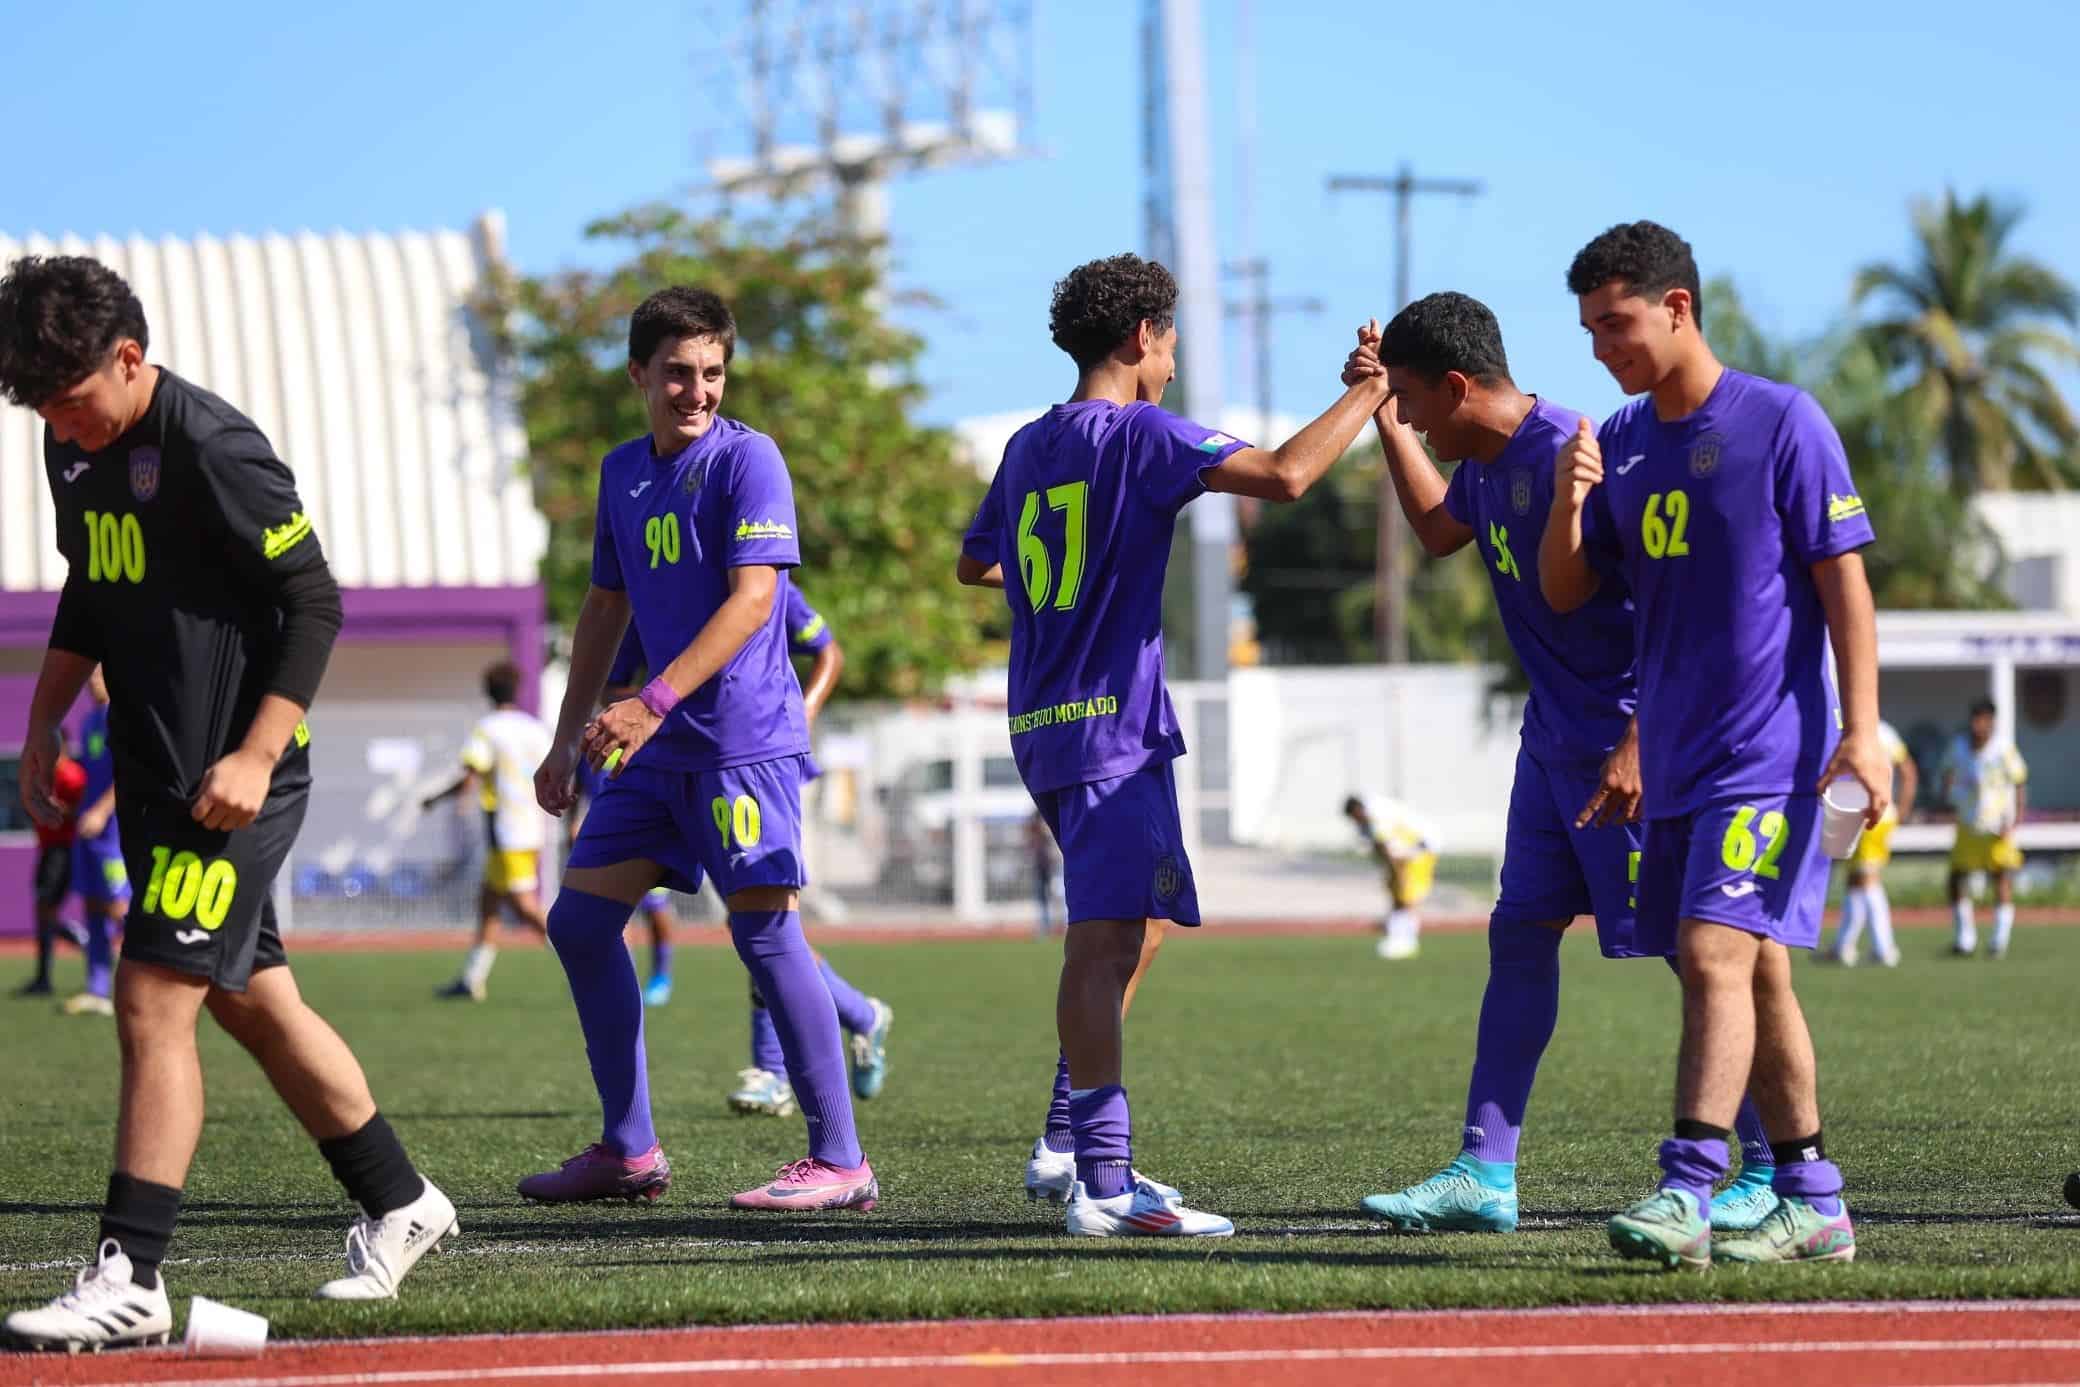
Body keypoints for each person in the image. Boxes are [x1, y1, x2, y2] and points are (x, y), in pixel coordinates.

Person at [0, 255, 453, 1350]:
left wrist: (256, 752)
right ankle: (403, 1202)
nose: (62, 422)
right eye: (41, 405)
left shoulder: (212, 446)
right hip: (156, 771)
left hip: (234, 781)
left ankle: (132, 1274)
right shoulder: (76, 445)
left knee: (153, 998)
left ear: (128, 357)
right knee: (254, 1000)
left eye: (73, 396)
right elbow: (90, 588)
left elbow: (314, 597)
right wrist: (43, 717)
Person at [958, 251, 1391, 1236]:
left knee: (1130, 928)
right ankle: (1097, 1175)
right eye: (1170, 339)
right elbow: (1285, 475)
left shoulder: (1029, 445)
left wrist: (1068, 589)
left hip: (1047, 724)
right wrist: (1367, 395)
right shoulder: (1142, 433)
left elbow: (976, 561)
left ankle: (1072, 1144)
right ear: (1138, 339)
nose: (1173, 358)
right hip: (1111, 726)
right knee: (1106, 940)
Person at [1341, 296, 1781, 1236]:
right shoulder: (1487, 463)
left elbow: (1677, 604)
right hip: (1551, 745)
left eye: (1415, 399)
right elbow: (1434, 527)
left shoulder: (1580, 454)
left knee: (1692, 951)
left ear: (1461, 386)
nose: (1411, 415)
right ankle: (1484, 1169)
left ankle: (1772, 1162)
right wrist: (1378, 410)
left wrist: (1641, 738)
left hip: (1626, 744)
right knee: (1520, 933)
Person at [1540, 222, 1884, 1269]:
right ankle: (1812, 1197)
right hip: (1676, 759)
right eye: (1590, 330)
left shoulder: (1783, 421)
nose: (1603, 347)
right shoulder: (1625, 440)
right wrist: (1571, 493)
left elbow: (1845, 585)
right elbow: (1567, 592)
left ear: (1677, 306)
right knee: (1756, 971)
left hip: (1769, 754)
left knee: (1711, 957)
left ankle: (1686, 1186)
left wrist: (1863, 732)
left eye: (1618, 323)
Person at [521, 285, 875, 1213]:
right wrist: (568, 738)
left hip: (740, 744)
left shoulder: (749, 460)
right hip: (653, 752)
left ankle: (841, 1160)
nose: (697, 391)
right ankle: (629, 1150)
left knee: (762, 930)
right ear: (638, 372)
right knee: (581, 923)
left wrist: (652, 702)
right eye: (677, 372)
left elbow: (756, 600)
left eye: (712, 372)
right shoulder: (620, 473)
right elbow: (605, 606)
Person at [728, 583, 894, 1118]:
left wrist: (803, 713)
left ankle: (775, 1073)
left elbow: (828, 651)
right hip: (698, 771)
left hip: (764, 769)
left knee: (765, 924)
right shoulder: (662, 578)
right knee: (758, 927)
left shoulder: (763, 579)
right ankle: (861, 1015)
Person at [426, 661, 553, 1001]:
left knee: (525, 907)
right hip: (533, 825)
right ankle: (472, 978)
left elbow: (472, 774)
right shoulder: (535, 729)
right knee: (489, 903)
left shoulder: (488, 729)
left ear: (487, 692)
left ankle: (588, 962)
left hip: (506, 830)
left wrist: (435, 799)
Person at [1941, 698, 2027, 958]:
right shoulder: (1959, 746)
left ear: (1992, 721)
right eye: (1974, 718)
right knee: (1956, 879)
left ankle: (1999, 940)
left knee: (2000, 879)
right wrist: (1950, 799)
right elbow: (1946, 773)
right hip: (1967, 823)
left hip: (1995, 825)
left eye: (1983, 718)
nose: (1977, 724)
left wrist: (2015, 820)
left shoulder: (2003, 749)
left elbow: (2020, 781)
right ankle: (1964, 939)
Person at [1829, 718, 1917, 966]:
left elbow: (1908, 771)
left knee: (1868, 879)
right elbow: (1908, 771)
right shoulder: (1884, 730)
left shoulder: (1877, 731)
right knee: (1855, 880)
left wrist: (1902, 808)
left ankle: (1884, 948)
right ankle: (1843, 946)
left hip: (1872, 814)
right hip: (1857, 813)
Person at [14, 750, 89, 998]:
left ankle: (83, 940)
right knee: (42, 911)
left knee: (46, 908)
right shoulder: (43, 775)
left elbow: (85, 813)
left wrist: (61, 809)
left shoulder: (72, 776)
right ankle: (43, 978)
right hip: (47, 848)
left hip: (64, 850)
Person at [1342, 793, 1439, 961]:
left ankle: (1407, 940)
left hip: (1420, 847)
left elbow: (1387, 849)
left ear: (1358, 811)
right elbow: (1381, 852)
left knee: (1407, 893)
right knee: (1396, 890)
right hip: (1405, 851)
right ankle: (1398, 935)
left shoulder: (1377, 817)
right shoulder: (1368, 822)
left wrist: (1397, 873)